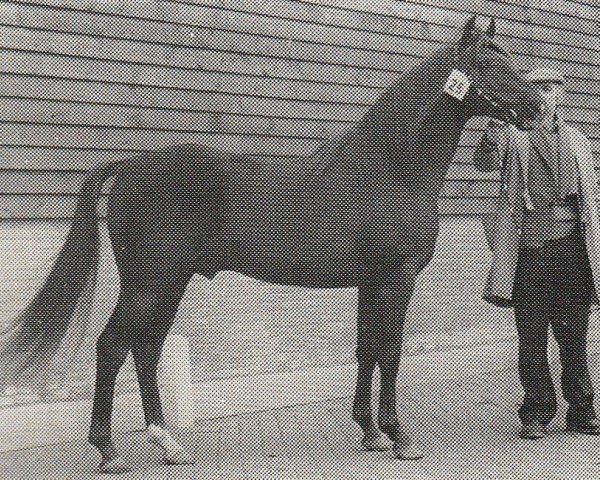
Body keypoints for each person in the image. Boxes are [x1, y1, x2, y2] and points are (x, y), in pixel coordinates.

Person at [474, 67, 600, 439]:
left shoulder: (578, 139)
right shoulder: (515, 134)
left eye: (553, 88)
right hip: (530, 253)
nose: (547, 94)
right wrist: (495, 128)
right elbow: (484, 165)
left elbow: (589, 196)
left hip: (573, 253)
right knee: (532, 338)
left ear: (562, 95)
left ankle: (582, 410)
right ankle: (537, 411)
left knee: (575, 338)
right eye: (539, 87)